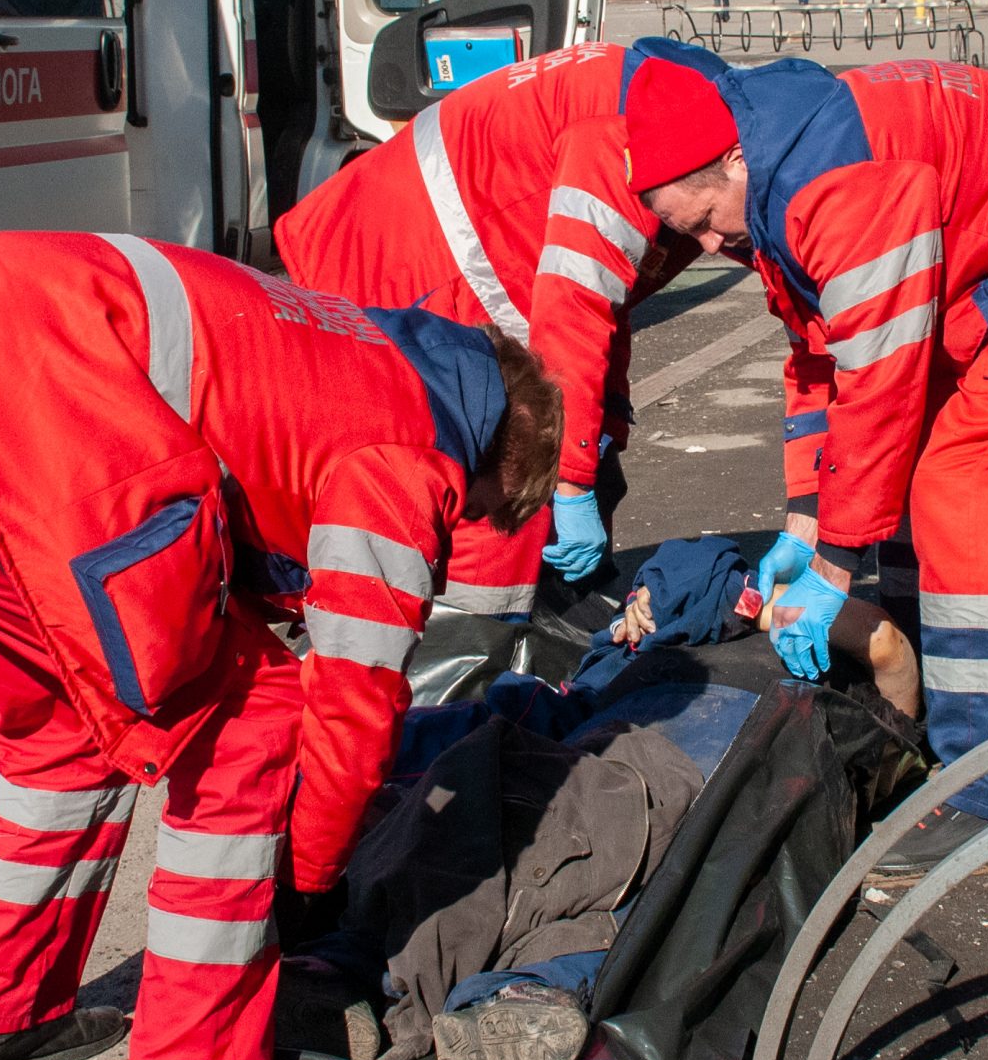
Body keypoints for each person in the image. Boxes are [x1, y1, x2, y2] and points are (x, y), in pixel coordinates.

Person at [0, 232, 562, 1060]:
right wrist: (308, 882)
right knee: (251, 726)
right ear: (497, 452)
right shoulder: (412, 444)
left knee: (63, 715)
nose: (457, 534)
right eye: (477, 511)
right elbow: (351, 701)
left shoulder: (343, 349)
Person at [619, 39, 988, 881]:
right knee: (905, 460)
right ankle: (930, 681)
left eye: (702, 219)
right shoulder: (773, 174)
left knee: (965, 483)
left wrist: (837, 564)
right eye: (684, 231)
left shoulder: (834, 189)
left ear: (733, 156)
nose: (703, 246)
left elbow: (877, 387)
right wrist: (807, 519)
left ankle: (983, 788)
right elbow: (821, 356)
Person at [275, 43, 701, 645]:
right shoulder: (630, 140)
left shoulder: (669, 119)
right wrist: (575, 477)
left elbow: (605, 301)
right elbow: (574, 311)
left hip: (430, 243)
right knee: (485, 462)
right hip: (410, 263)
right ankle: (461, 655)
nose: (713, 246)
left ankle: (479, 639)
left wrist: (606, 423)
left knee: (532, 448)